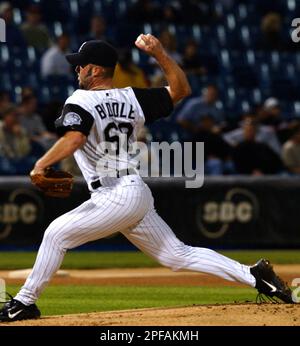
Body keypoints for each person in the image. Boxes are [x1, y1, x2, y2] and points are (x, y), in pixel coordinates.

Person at [0, 35, 293, 322]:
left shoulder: (79, 100)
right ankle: (254, 275)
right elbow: (180, 90)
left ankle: (25, 303)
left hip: (114, 193)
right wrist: (160, 54)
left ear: (96, 69)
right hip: (135, 192)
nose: (78, 69)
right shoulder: (133, 97)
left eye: (82, 64)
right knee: (176, 255)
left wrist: (40, 165)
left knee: (55, 234)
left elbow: (74, 138)